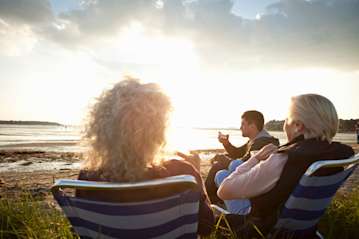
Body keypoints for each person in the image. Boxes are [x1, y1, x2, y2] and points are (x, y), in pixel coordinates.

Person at [76, 77, 214, 236]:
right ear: (159, 130)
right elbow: (206, 227)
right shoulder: (181, 173)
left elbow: (84, 231)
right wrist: (197, 176)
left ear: (102, 128)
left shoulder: (88, 178)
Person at [217, 94, 354, 237]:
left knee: (218, 210)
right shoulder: (335, 156)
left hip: (266, 229)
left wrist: (256, 158)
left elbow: (224, 190)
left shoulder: (285, 159)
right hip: (305, 229)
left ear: (298, 126)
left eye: (287, 119)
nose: (284, 124)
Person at [205, 110, 279, 205]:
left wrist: (222, 159)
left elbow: (243, 165)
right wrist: (226, 143)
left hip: (253, 186)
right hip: (251, 182)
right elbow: (238, 153)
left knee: (219, 169)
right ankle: (213, 198)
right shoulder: (257, 140)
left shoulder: (262, 143)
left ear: (252, 126)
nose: (240, 127)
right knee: (219, 165)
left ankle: (209, 199)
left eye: (243, 124)